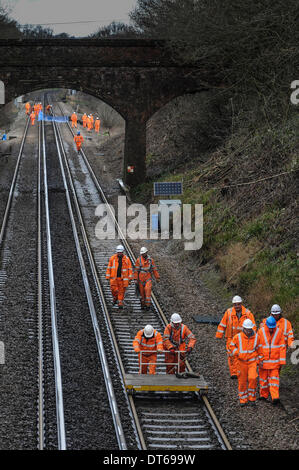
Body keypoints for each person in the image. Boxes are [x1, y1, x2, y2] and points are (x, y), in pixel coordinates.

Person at [216, 295, 256, 378]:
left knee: (242, 355)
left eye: (238, 304)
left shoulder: (248, 313)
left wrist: (253, 337)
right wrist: (219, 335)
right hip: (231, 337)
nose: (237, 306)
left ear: (241, 304)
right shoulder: (229, 312)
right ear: (233, 305)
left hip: (243, 338)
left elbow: (253, 326)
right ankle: (234, 373)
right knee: (231, 355)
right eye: (235, 304)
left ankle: (242, 372)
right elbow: (223, 324)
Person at [229, 319, 262, 407]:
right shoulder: (238, 337)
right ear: (243, 328)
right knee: (242, 382)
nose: (248, 331)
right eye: (247, 329)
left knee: (253, 379)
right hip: (241, 363)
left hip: (252, 362)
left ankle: (252, 399)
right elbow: (231, 346)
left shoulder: (257, 337)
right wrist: (237, 353)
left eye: (250, 329)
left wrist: (259, 361)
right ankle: (243, 399)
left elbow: (260, 350)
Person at [257, 316, 286, 405]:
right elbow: (257, 347)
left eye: (272, 328)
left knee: (274, 380)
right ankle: (263, 395)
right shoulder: (261, 332)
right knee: (263, 380)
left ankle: (275, 397)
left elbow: (282, 347)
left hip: (274, 363)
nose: (271, 330)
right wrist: (259, 360)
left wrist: (281, 361)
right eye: (270, 328)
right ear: (266, 325)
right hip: (264, 362)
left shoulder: (279, 332)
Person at [106, 245, 133, 309]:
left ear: (123, 252)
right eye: (118, 252)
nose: (119, 253)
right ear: (117, 252)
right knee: (114, 290)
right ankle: (115, 298)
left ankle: (120, 303)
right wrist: (107, 276)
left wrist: (130, 278)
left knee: (121, 291)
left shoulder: (127, 259)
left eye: (121, 252)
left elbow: (130, 269)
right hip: (114, 278)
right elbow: (109, 268)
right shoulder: (112, 258)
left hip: (122, 279)